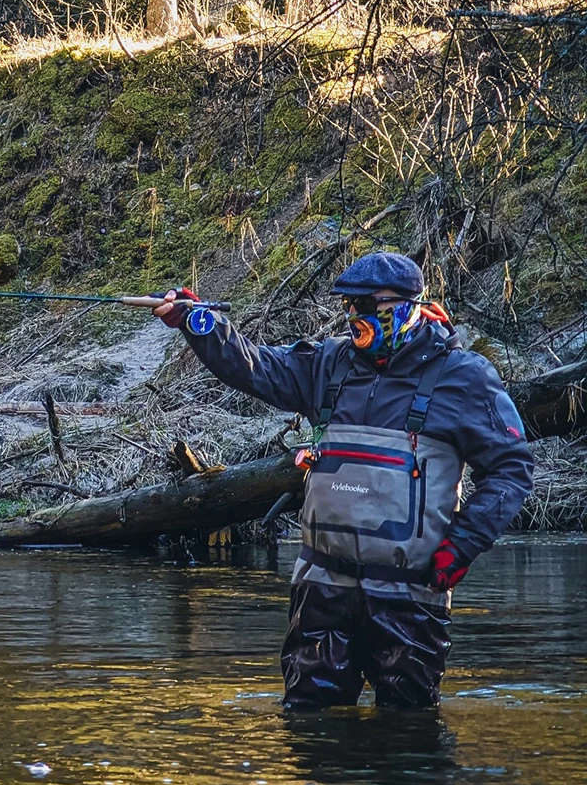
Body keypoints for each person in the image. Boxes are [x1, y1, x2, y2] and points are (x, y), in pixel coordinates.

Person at [153, 252, 534, 709]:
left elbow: (512, 471)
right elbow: (255, 366)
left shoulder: (465, 378)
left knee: (408, 738)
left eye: (368, 306)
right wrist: (202, 325)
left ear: (409, 305)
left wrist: (463, 546)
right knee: (311, 730)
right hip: (322, 591)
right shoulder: (328, 364)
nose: (356, 317)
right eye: (350, 306)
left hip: (409, 597)